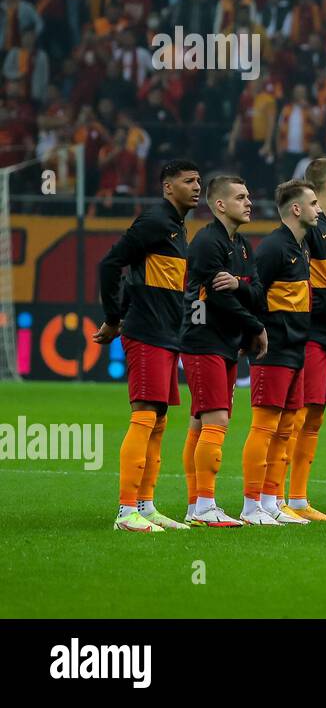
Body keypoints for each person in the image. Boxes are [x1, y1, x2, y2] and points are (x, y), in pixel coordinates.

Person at [96, 159, 203, 532]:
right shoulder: (155, 221)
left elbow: (136, 277)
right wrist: (114, 318)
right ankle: (127, 512)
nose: (197, 187)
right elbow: (110, 264)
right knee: (144, 417)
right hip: (146, 334)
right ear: (167, 187)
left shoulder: (176, 228)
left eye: (199, 181)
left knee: (158, 421)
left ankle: (146, 504)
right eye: (188, 181)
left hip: (166, 335)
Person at [178, 175, 267, 526]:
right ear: (220, 205)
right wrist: (256, 326)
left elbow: (258, 291)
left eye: (249, 196)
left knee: (201, 422)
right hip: (203, 339)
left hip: (224, 342)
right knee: (216, 420)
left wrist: (240, 284)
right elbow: (216, 297)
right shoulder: (207, 242)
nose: (249, 202)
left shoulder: (242, 245)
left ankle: (195, 505)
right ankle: (204, 505)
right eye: (241, 197)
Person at [242, 180, 319, 525]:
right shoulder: (273, 247)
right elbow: (254, 294)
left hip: (295, 348)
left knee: (287, 427)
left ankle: (272, 502)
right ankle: (250, 505)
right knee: (264, 427)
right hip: (272, 349)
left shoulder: (300, 247)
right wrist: (257, 336)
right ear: (296, 209)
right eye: (313, 203)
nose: (319, 209)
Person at [283, 157, 326, 522]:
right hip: (307, 332)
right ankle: (274, 499)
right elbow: (291, 273)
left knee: (314, 416)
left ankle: (297, 499)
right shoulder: (308, 227)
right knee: (296, 415)